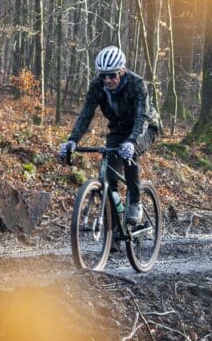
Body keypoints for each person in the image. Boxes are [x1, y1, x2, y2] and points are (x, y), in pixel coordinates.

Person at [59, 46, 161, 223]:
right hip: (119, 129)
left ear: (122, 70)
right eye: (103, 75)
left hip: (146, 127)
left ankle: (135, 201)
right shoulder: (97, 86)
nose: (107, 80)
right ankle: (113, 231)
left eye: (112, 75)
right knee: (109, 177)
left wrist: (131, 141)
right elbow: (85, 115)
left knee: (130, 152)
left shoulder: (136, 84)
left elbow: (142, 117)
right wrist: (72, 140)